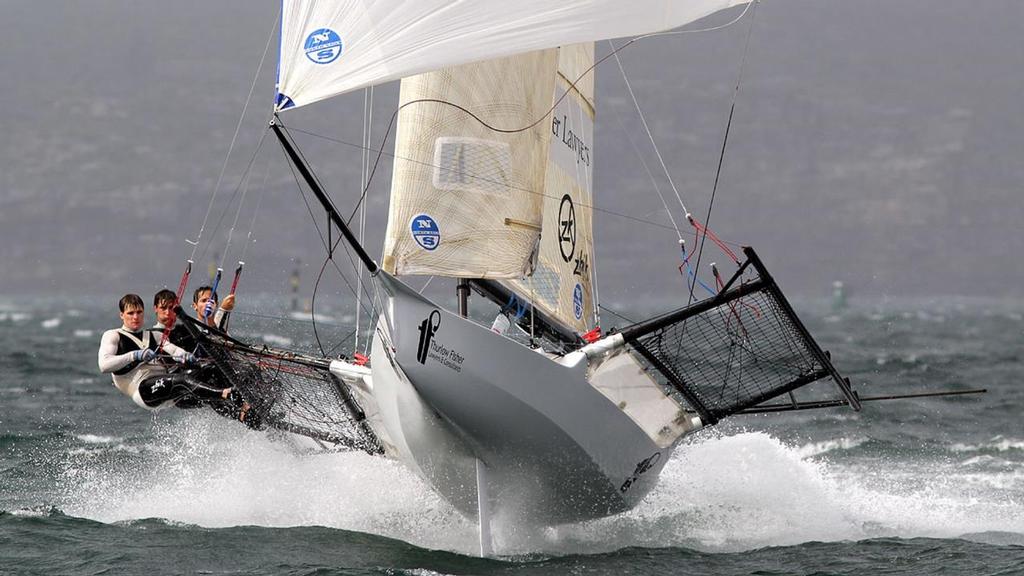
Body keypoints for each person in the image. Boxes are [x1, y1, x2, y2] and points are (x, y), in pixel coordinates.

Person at [98, 293, 235, 410]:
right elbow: (104, 365)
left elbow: (174, 350)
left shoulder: (154, 336)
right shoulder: (113, 335)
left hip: (169, 389)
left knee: (209, 370)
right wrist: (135, 355)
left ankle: (242, 409)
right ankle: (226, 394)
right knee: (183, 380)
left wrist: (185, 356)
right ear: (122, 315)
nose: (135, 317)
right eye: (130, 313)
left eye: (139, 312)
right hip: (144, 390)